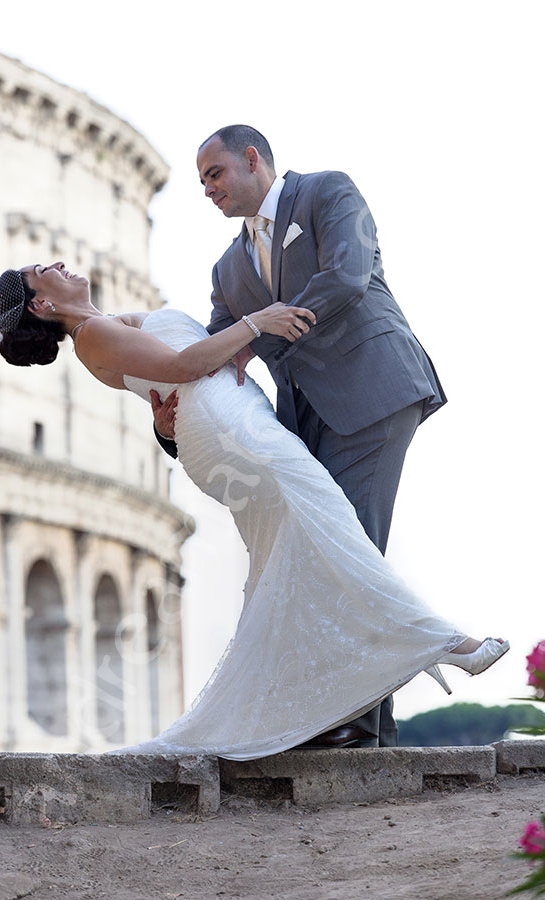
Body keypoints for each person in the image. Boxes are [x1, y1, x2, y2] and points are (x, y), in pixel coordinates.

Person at [0, 262, 509, 761]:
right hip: (227, 429)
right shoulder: (91, 336)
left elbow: (167, 383)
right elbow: (184, 366)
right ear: (42, 302)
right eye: (44, 269)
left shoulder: (105, 325)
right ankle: (445, 642)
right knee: (326, 521)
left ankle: (311, 704)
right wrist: (257, 323)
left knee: (298, 551)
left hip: (227, 419)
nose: (59, 263)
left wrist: (163, 421)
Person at [151, 125, 447, 749]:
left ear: (252, 159)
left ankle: (354, 721)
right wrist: (169, 417)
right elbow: (212, 352)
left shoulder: (326, 194)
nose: (207, 189)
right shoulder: (228, 268)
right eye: (201, 181)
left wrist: (257, 332)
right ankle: (372, 724)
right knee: (333, 550)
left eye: (215, 174)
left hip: (373, 387)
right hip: (304, 418)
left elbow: (346, 279)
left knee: (351, 543)